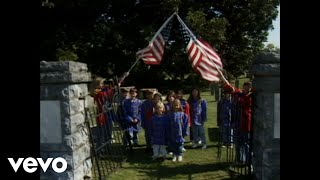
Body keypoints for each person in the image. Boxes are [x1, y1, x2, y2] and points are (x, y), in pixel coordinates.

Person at [223, 81, 254, 164]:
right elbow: (230, 88)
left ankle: (249, 161)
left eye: (249, 87)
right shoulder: (239, 94)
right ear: (243, 87)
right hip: (237, 122)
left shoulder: (252, 96)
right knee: (238, 142)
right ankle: (240, 159)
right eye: (246, 86)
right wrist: (223, 79)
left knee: (247, 143)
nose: (248, 88)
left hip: (246, 123)